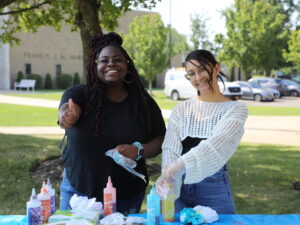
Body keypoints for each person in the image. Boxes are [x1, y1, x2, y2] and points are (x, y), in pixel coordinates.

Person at [58, 32, 166, 214]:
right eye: (104, 60)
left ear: (127, 65)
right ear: (95, 66)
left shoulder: (143, 102)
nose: (111, 64)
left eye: (118, 59)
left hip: (126, 195)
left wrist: (138, 151)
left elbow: (160, 139)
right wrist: (66, 117)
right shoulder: (79, 94)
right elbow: (64, 112)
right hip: (78, 192)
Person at [155, 49, 248, 214]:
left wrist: (178, 166)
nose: (197, 77)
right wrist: (168, 177)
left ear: (217, 68)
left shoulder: (236, 109)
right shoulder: (181, 109)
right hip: (178, 186)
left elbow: (214, 146)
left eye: (202, 69)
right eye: (191, 73)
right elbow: (170, 146)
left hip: (213, 188)